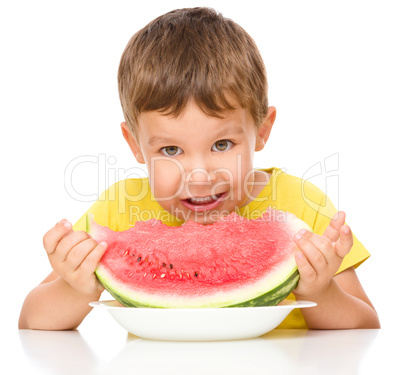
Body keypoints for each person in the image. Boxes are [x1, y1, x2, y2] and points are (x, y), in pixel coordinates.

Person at [19, 7, 380, 330]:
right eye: (171, 149)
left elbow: (365, 323)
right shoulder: (115, 212)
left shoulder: (301, 207)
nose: (199, 175)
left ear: (262, 131)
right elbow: (33, 319)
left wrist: (322, 290)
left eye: (222, 145)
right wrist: (74, 288)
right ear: (135, 145)